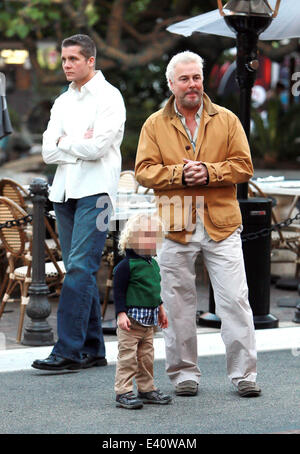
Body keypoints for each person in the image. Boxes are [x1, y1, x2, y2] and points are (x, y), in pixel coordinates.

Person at [135, 51, 261, 398]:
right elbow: (144, 171)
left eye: (196, 77)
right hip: (175, 226)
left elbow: (244, 165)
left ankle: (244, 375)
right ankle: (183, 374)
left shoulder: (228, 120)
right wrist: (180, 174)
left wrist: (209, 171)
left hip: (221, 224)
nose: (192, 85)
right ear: (171, 84)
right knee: (176, 305)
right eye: (184, 79)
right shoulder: (154, 125)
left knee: (235, 300)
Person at [32, 34, 126, 371]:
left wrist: (64, 143)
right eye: (64, 59)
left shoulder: (110, 97)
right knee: (79, 271)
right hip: (63, 193)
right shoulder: (62, 101)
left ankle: (67, 350)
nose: (67, 65)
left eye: (73, 59)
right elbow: (47, 150)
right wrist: (76, 141)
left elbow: (98, 148)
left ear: (90, 61)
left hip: (97, 193)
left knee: (80, 268)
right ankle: (92, 349)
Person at [113, 213, 172, 409]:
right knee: (128, 358)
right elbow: (119, 292)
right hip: (131, 322)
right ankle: (123, 391)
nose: (151, 240)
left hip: (148, 323)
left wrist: (161, 309)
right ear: (132, 239)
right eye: (146, 235)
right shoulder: (126, 266)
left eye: (154, 236)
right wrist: (120, 314)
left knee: (146, 358)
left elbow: (154, 290)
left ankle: (146, 389)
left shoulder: (152, 264)